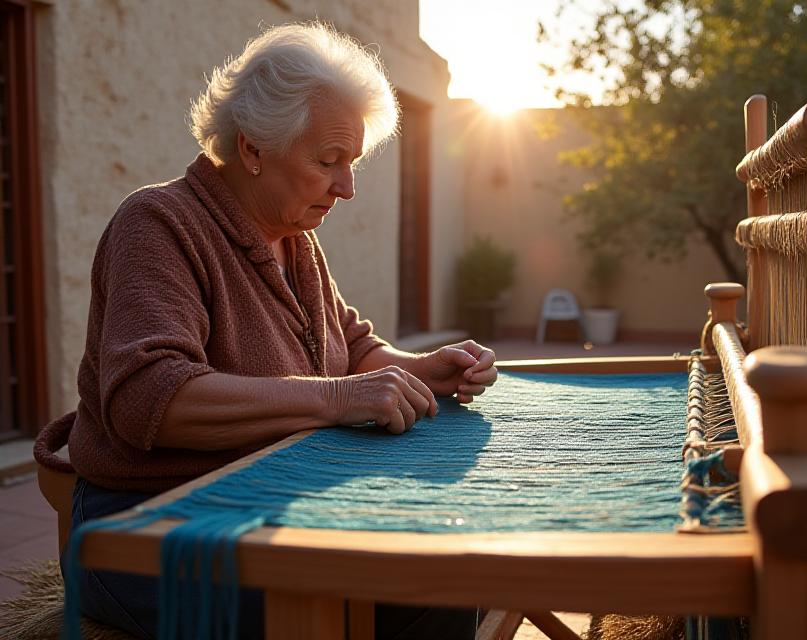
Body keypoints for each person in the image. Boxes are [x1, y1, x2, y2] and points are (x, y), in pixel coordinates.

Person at [41, 22, 497, 639]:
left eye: (353, 162)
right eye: (328, 161)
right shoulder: (157, 224)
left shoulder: (296, 240)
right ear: (253, 148)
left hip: (266, 504)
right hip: (154, 530)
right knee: (414, 594)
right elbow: (150, 397)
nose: (348, 186)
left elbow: (352, 347)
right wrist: (337, 399)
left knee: (442, 562)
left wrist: (421, 368)